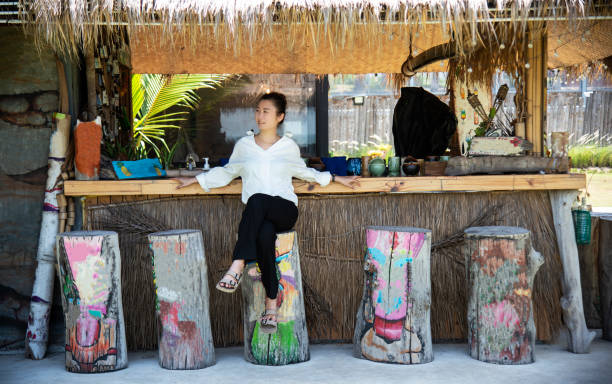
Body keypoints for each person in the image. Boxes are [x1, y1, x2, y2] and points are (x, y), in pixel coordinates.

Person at [175, 92, 360, 333]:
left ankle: (238, 264)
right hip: (258, 216)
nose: (260, 116)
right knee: (263, 235)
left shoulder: (288, 147)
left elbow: (305, 172)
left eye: (266, 111)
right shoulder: (244, 146)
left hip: (283, 209)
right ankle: (271, 306)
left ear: (279, 117)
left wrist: (336, 178)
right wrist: (195, 180)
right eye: (258, 110)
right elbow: (227, 172)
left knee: (257, 200)